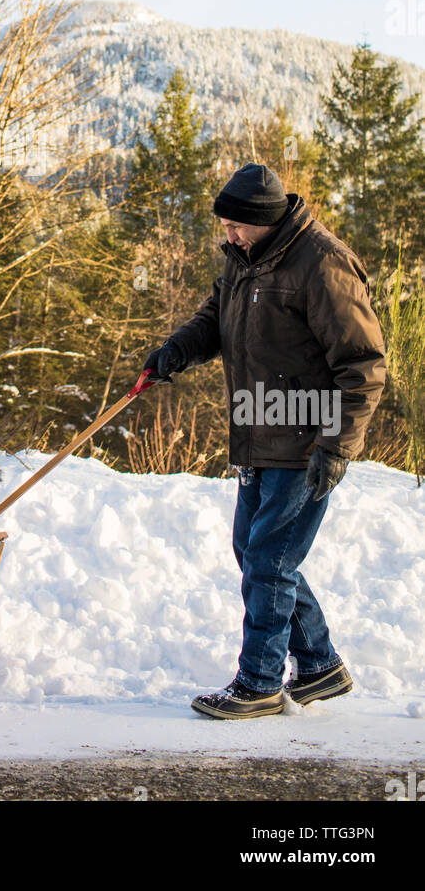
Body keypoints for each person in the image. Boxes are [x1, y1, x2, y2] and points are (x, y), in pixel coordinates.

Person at [142, 163, 386, 719]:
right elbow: (215, 319)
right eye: (224, 225)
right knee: (255, 555)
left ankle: (259, 682)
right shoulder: (245, 260)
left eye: (235, 226)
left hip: (306, 440)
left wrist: (337, 446)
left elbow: (364, 364)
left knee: (269, 563)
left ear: (265, 221)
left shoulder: (322, 263)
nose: (227, 234)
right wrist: (178, 349)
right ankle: (319, 665)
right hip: (258, 429)